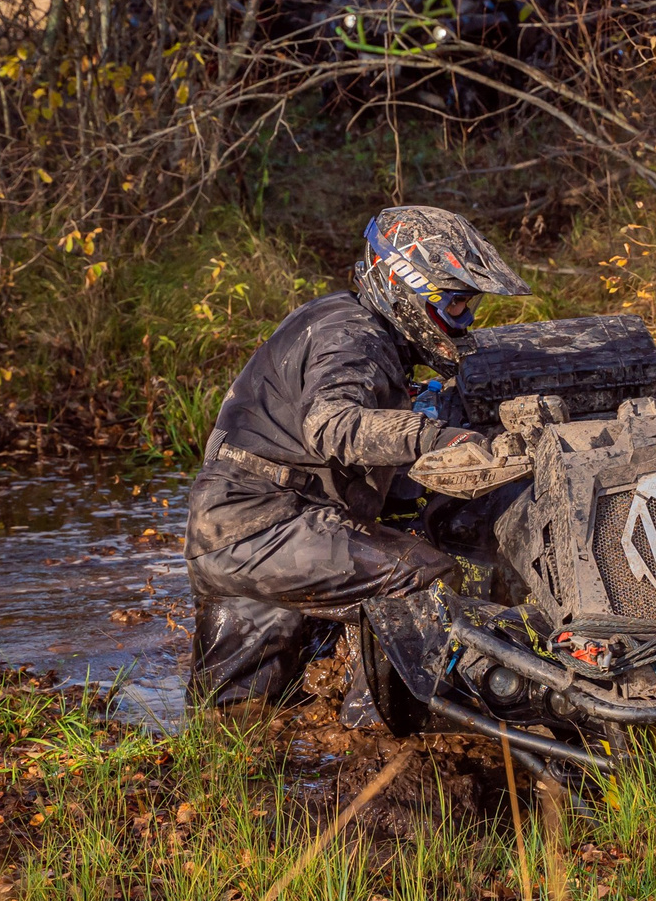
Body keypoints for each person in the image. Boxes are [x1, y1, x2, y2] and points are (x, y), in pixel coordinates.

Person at [186, 206, 530, 710]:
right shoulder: (353, 336)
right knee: (421, 572)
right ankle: (380, 729)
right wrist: (439, 440)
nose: (467, 319)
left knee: (238, 722)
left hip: (235, 534)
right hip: (266, 528)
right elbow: (332, 425)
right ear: (405, 288)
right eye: (455, 305)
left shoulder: (340, 320)